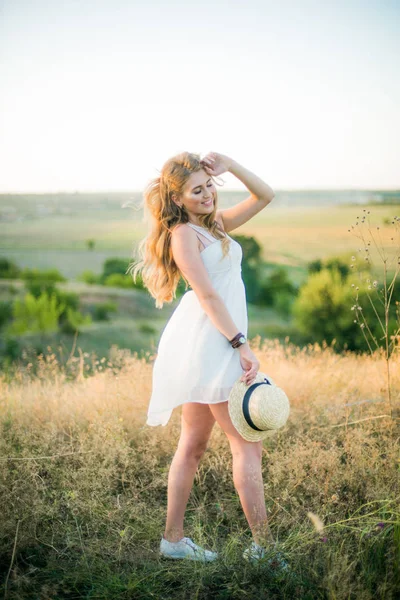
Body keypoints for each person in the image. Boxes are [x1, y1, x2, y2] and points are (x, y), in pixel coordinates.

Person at [130, 151, 282, 564]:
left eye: (209, 186)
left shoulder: (215, 226)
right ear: (177, 199)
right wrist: (240, 343)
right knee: (246, 446)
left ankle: (173, 541)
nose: (207, 195)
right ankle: (264, 551)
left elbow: (265, 195)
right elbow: (208, 295)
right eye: (196, 190)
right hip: (213, 344)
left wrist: (229, 165)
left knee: (194, 445)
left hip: (216, 341)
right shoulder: (185, 236)